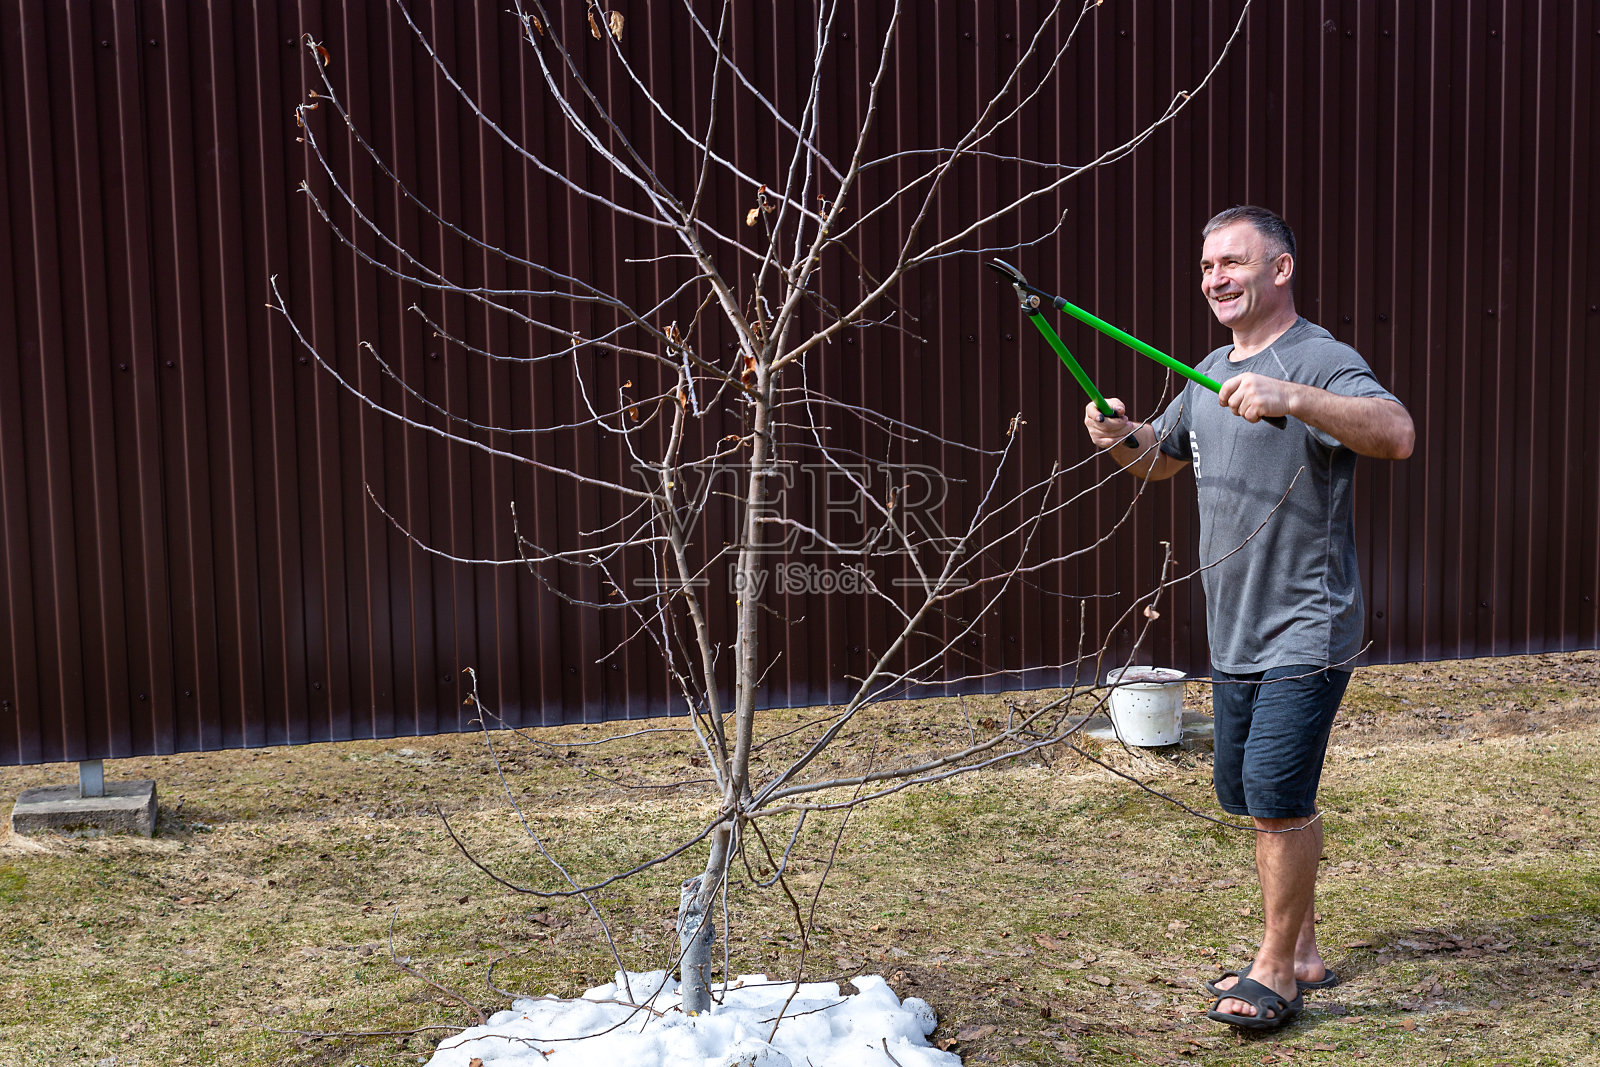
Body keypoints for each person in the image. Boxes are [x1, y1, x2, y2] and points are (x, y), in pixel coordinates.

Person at [1082, 205, 1414, 1030]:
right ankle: (1303, 949)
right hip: (1233, 629)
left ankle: (1276, 973)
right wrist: (1116, 435)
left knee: (1275, 797)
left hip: (1308, 622)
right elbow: (1161, 460)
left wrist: (1291, 396)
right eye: (1206, 267)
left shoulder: (1320, 359)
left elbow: (1397, 432)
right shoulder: (1207, 368)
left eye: (1232, 262)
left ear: (1280, 269)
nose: (1216, 279)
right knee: (1250, 794)